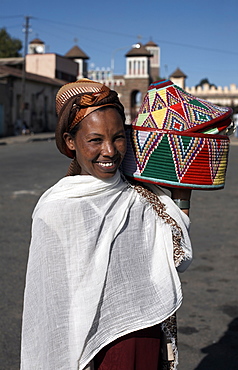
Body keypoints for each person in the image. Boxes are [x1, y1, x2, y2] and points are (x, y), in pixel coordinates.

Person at [21, 78, 192, 370]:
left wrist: (180, 192)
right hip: (92, 349)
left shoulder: (139, 195)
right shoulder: (56, 209)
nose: (110, 151)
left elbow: (175, 260)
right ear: (70, 142)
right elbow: (49, 306)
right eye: (95, 140)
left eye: (118, 137)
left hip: (144, 337)